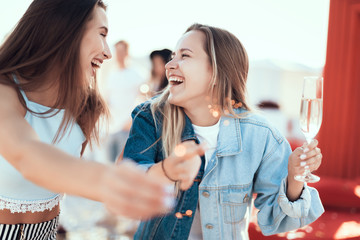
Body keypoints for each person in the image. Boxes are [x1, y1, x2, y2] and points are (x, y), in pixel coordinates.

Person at [122, 23, 324, 239]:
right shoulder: (150, 117)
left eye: (185, 56)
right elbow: (126, 185)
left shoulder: (260, 135)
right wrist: (168, 171)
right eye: (173, 55)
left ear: (217, 71)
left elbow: (276, 220)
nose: (170, 65)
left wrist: (294, 178)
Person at [0, 1, 173, 239]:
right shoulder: (5, 91)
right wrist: (107, 180)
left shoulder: (86, 108)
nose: (108, 52)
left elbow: (70, 177)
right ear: (65, 30)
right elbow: (26, 155)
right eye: (102, 34)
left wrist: (166, 170)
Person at [104, 40, 144, 161]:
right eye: (117, 51)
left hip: (126, 128)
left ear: (127, 53)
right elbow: (107, 100)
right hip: (110, 129)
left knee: (124, 164)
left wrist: (132, 121)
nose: (119, 54)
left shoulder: (135, 74)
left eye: (121, 51)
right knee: (109, 167)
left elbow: (144, 99)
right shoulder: (111, 75)